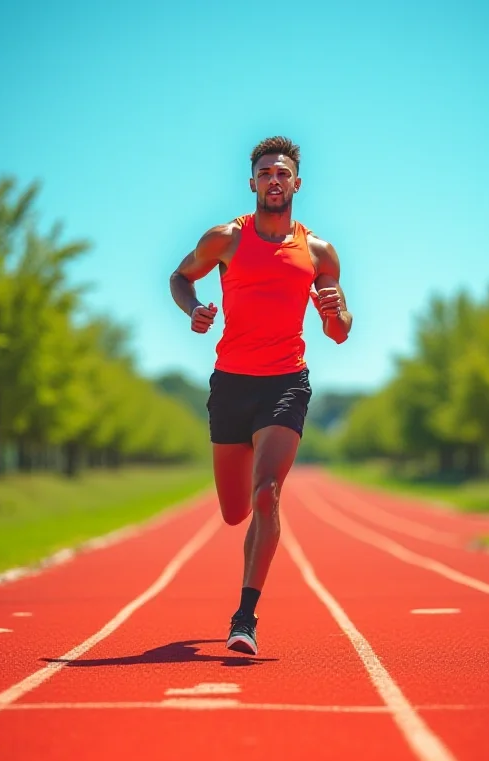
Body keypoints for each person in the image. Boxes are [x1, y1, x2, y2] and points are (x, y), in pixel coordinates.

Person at [169, 136, 352, 655]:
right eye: (266, 173)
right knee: (235, 511)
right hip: (231, 383)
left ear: (297, 183)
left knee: (267, 491)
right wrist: (195, 309)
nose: (275, 180)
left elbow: (340, 332)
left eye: (283, 173)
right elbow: (179, 277)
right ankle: (249, 514)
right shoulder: (225, 240)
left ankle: (245, 616)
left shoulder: (318, 252)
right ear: (252, 183)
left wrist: (335, 312)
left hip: (286, 381)